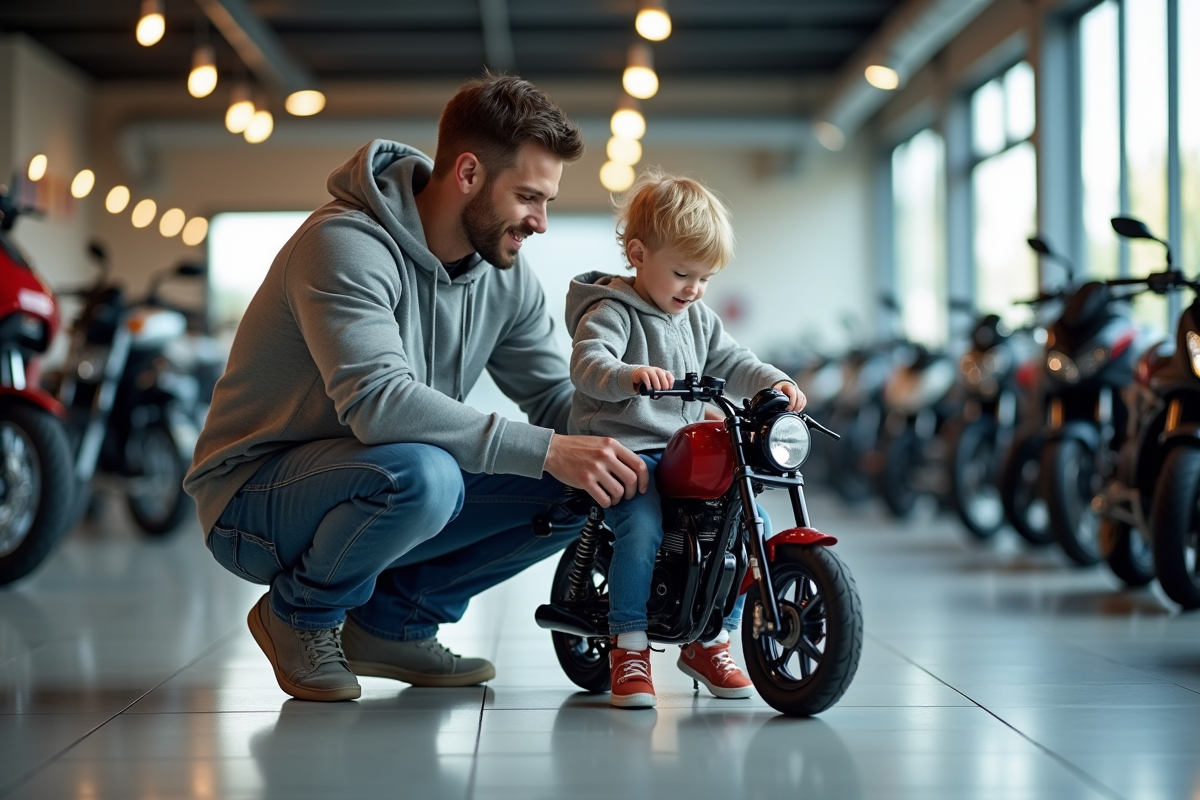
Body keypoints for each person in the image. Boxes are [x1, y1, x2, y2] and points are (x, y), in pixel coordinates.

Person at [184, 74, 652, 703]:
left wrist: (648, 434)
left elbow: (554, 400)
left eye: (547, 202)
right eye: (528, 197)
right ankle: (298, 614)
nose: (540, 221)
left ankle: (393, 625)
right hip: (253, 500)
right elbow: (378, 403)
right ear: (467, 174)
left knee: (589, 482)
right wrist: (546, 449)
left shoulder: (503, 278)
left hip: (375, 476)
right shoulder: (344, 245)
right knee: (427, 476)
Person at [565, 169, 805, 708]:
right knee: (643, 527)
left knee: (751, 524)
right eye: (681, 273)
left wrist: (773, 381)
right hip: (627, 453)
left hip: (685, 450)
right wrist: (629, 376)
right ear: (637, 254)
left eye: (704, 278)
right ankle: (627, 643)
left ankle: (710, 638)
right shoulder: (610, 311)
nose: (693, 289)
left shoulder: (697, 316)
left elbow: (734, 361)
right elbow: (587, 365)